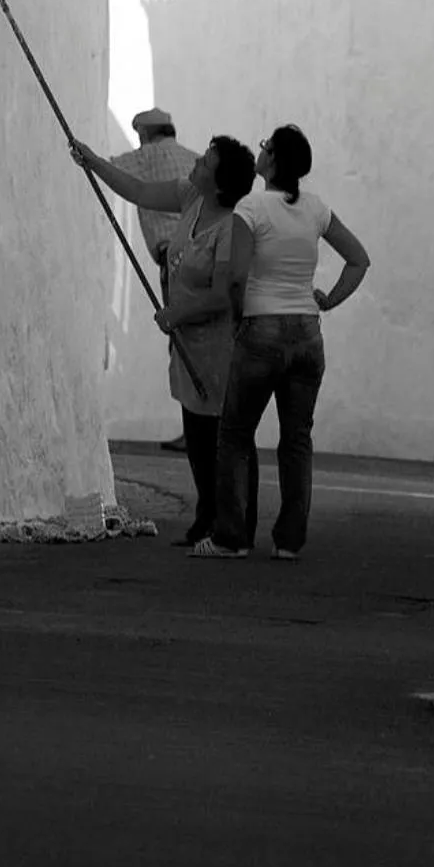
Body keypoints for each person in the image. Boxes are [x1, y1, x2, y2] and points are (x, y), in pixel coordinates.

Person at [192, 123, 370, 563]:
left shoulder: (251, 206)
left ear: (272, 162)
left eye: (266, 146)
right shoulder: (314, 208)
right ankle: (289, 541)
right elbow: (358, 259)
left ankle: (231, 537)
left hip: (261, 328)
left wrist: (238, 319)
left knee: (234, 435)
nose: (261, 149)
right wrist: (327, 300)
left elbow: (235, 275)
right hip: (307, 333)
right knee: (296, 440)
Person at [71, 135, 258, 545]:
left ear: (220, 183)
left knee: (223, 436)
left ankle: (234, 522)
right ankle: (207, 514)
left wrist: (176, 313)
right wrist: (94, 164)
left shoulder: (231, 228)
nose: (195, 163)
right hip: (187, 341)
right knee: (196, 431)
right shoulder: (191, 196)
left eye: (205, 162)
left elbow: (222, 295)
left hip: (218, 347)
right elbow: (138, 191)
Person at [109, 107, 198, 453]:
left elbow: (109, 169)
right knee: (196, 337)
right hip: (202, 255)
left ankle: (193, 427)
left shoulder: (147, 156)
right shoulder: (194, 159)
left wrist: (83, 155)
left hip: (173, 261)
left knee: (180, 341)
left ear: (145, 134)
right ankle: (201, 424)